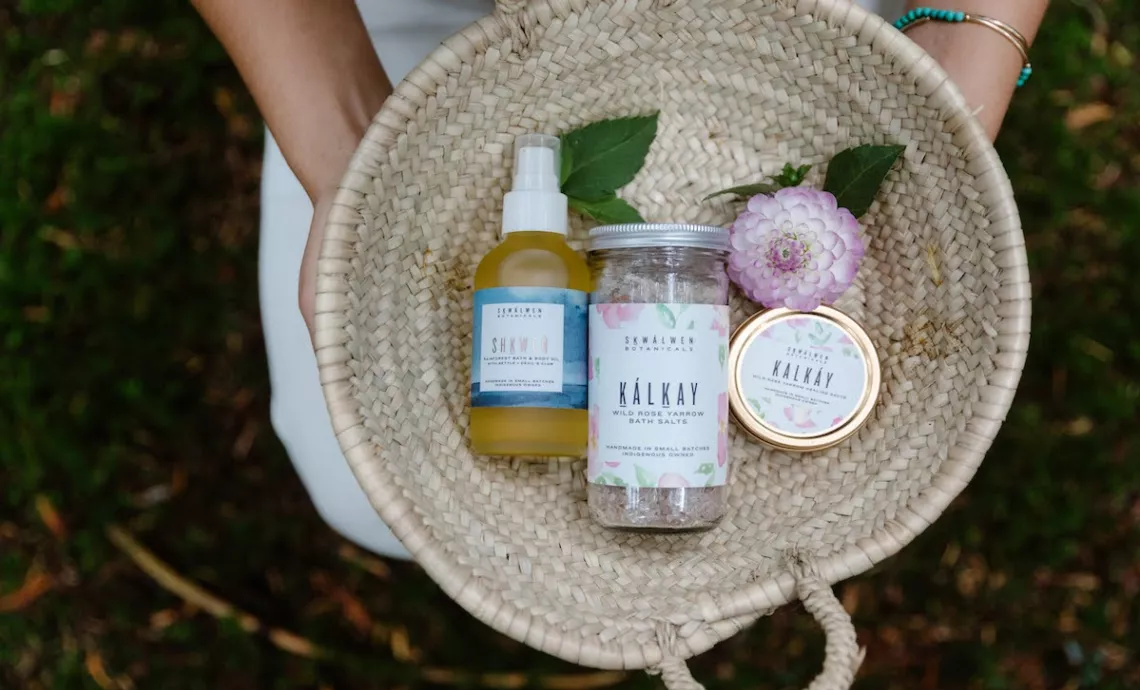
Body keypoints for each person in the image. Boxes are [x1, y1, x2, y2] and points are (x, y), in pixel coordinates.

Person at [191, 0, 1049, 561]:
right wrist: (348, 157)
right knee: (361, 488)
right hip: (438, 25)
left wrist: (965, 45)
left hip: (800, 26)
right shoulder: (551, 261)